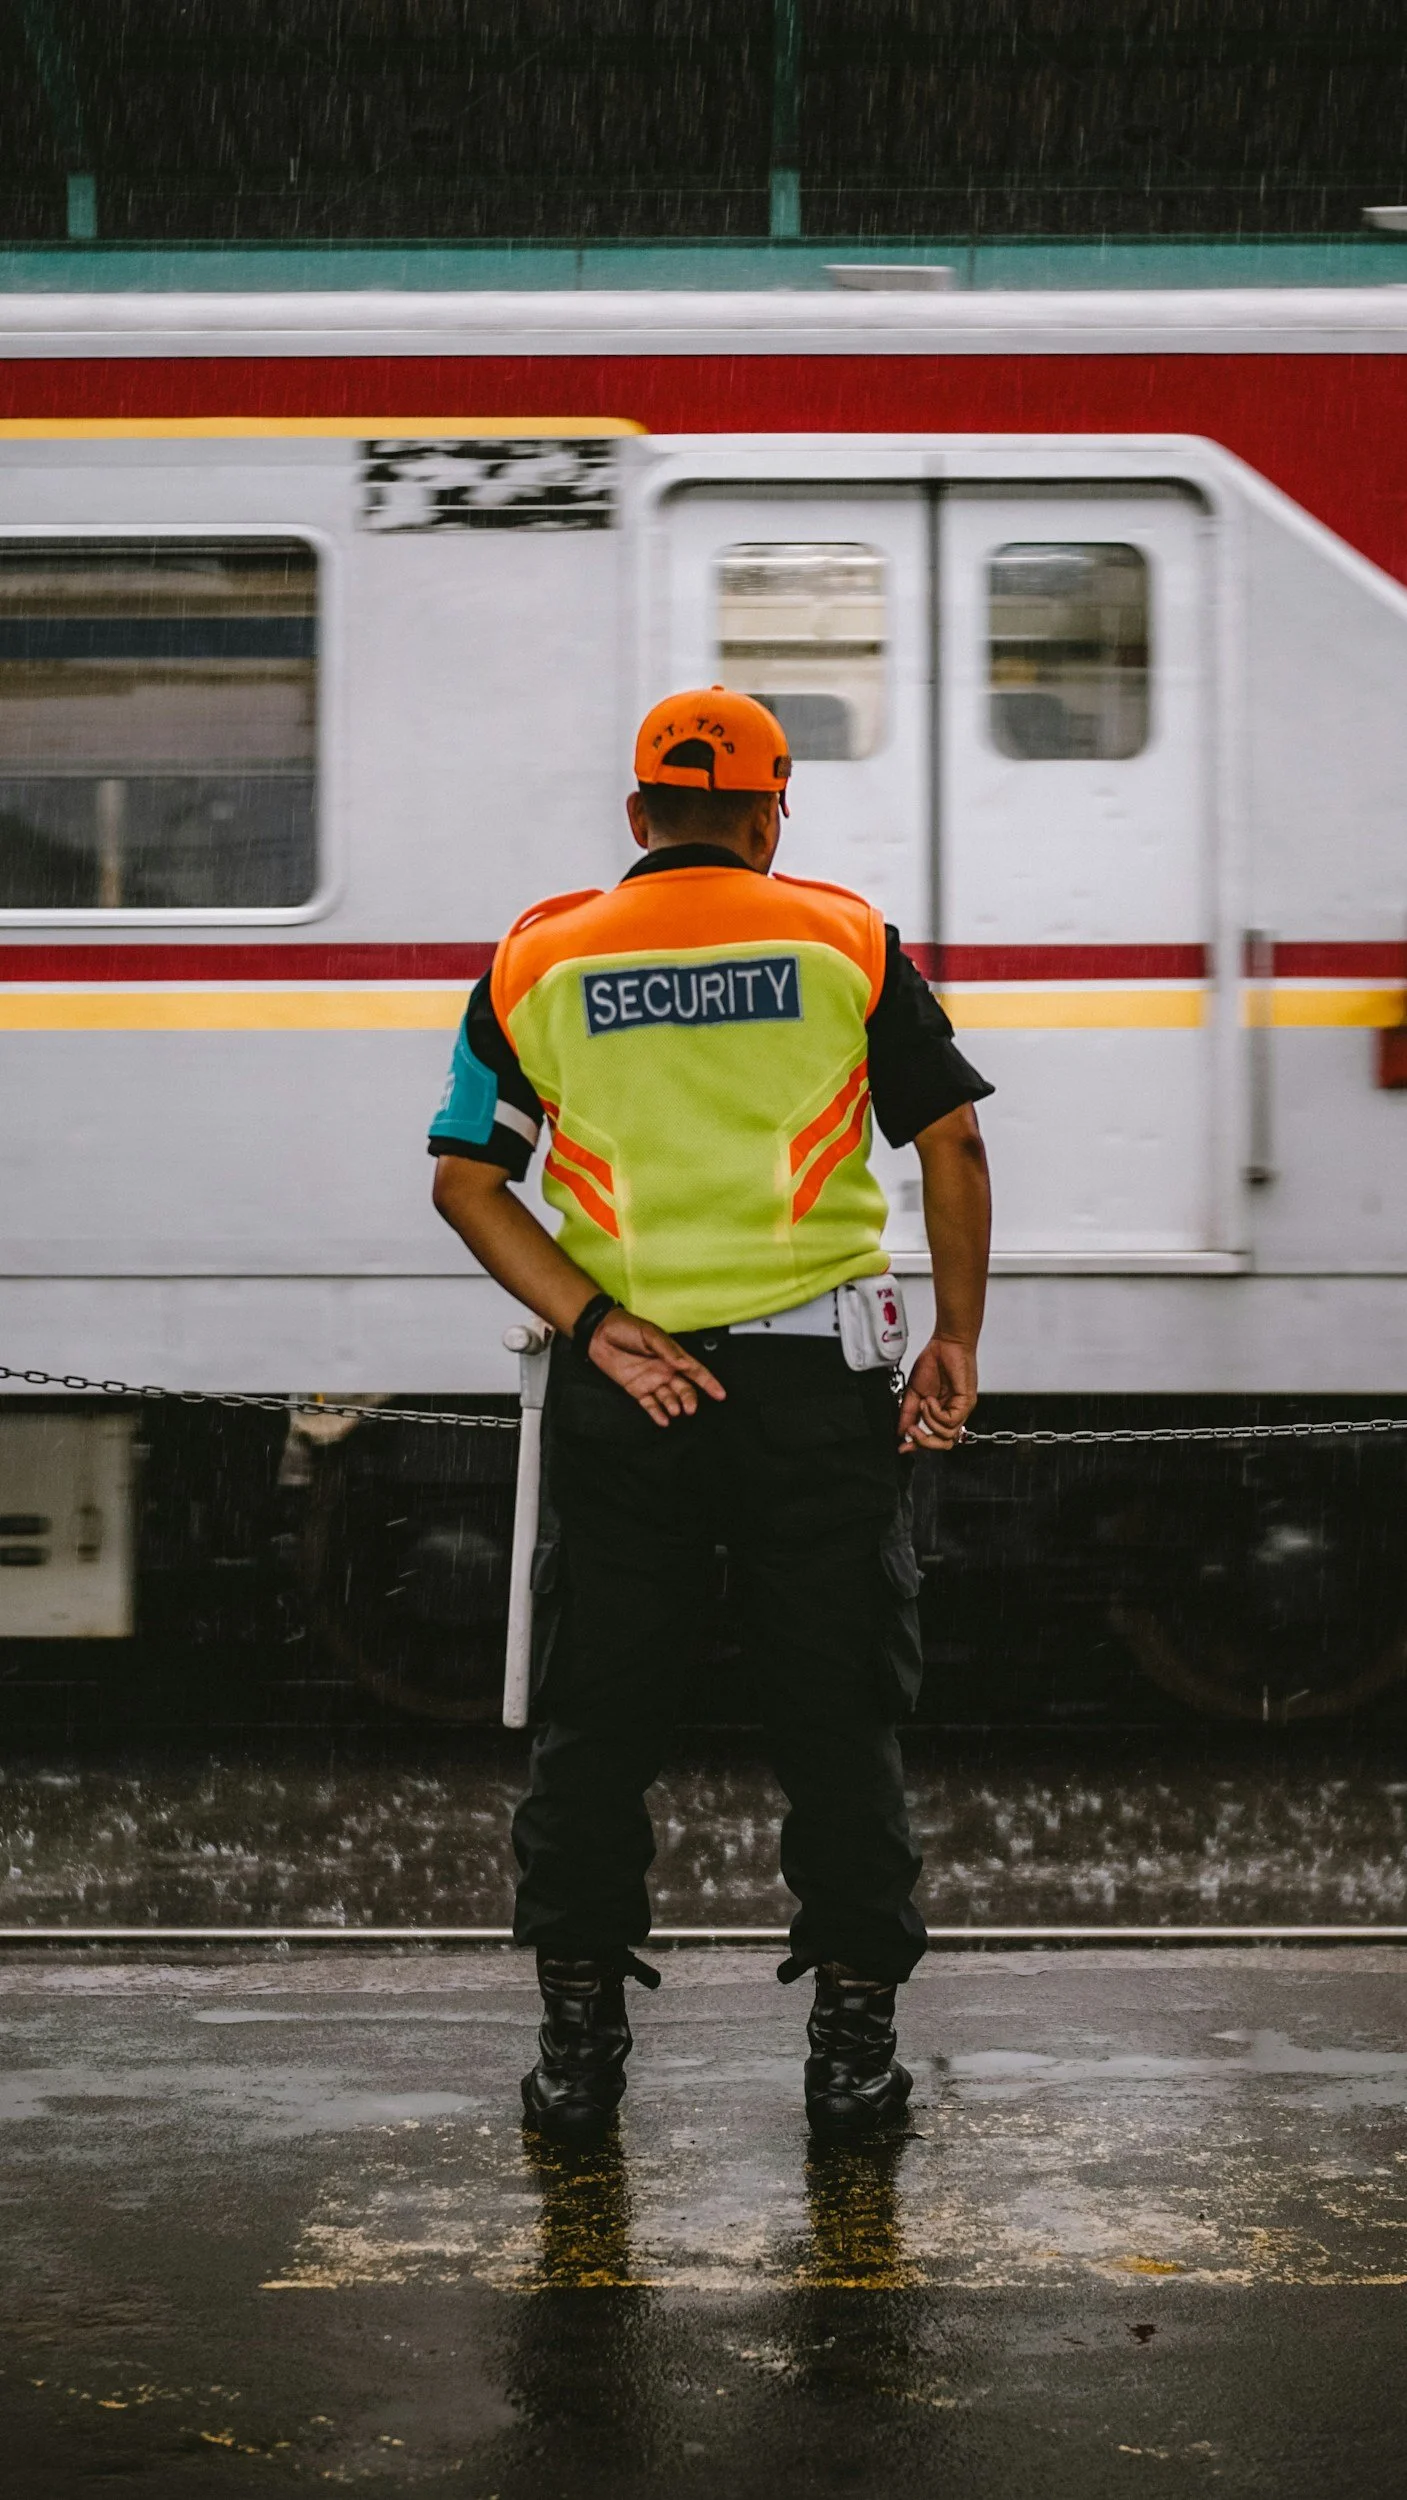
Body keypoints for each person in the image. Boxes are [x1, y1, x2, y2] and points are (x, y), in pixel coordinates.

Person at [430, 687, 993, 2142]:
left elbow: (466, 1180)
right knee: (836, 1715)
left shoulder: (536, 955)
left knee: (595, 1720)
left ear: (637, 818)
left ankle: (577, 2056)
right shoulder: (841, 938)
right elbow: (952, 1139)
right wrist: (955, 1335)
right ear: (765, 817)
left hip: (636, 1395)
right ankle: (852, 2057)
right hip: (818, 1395)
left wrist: (597, 1326)